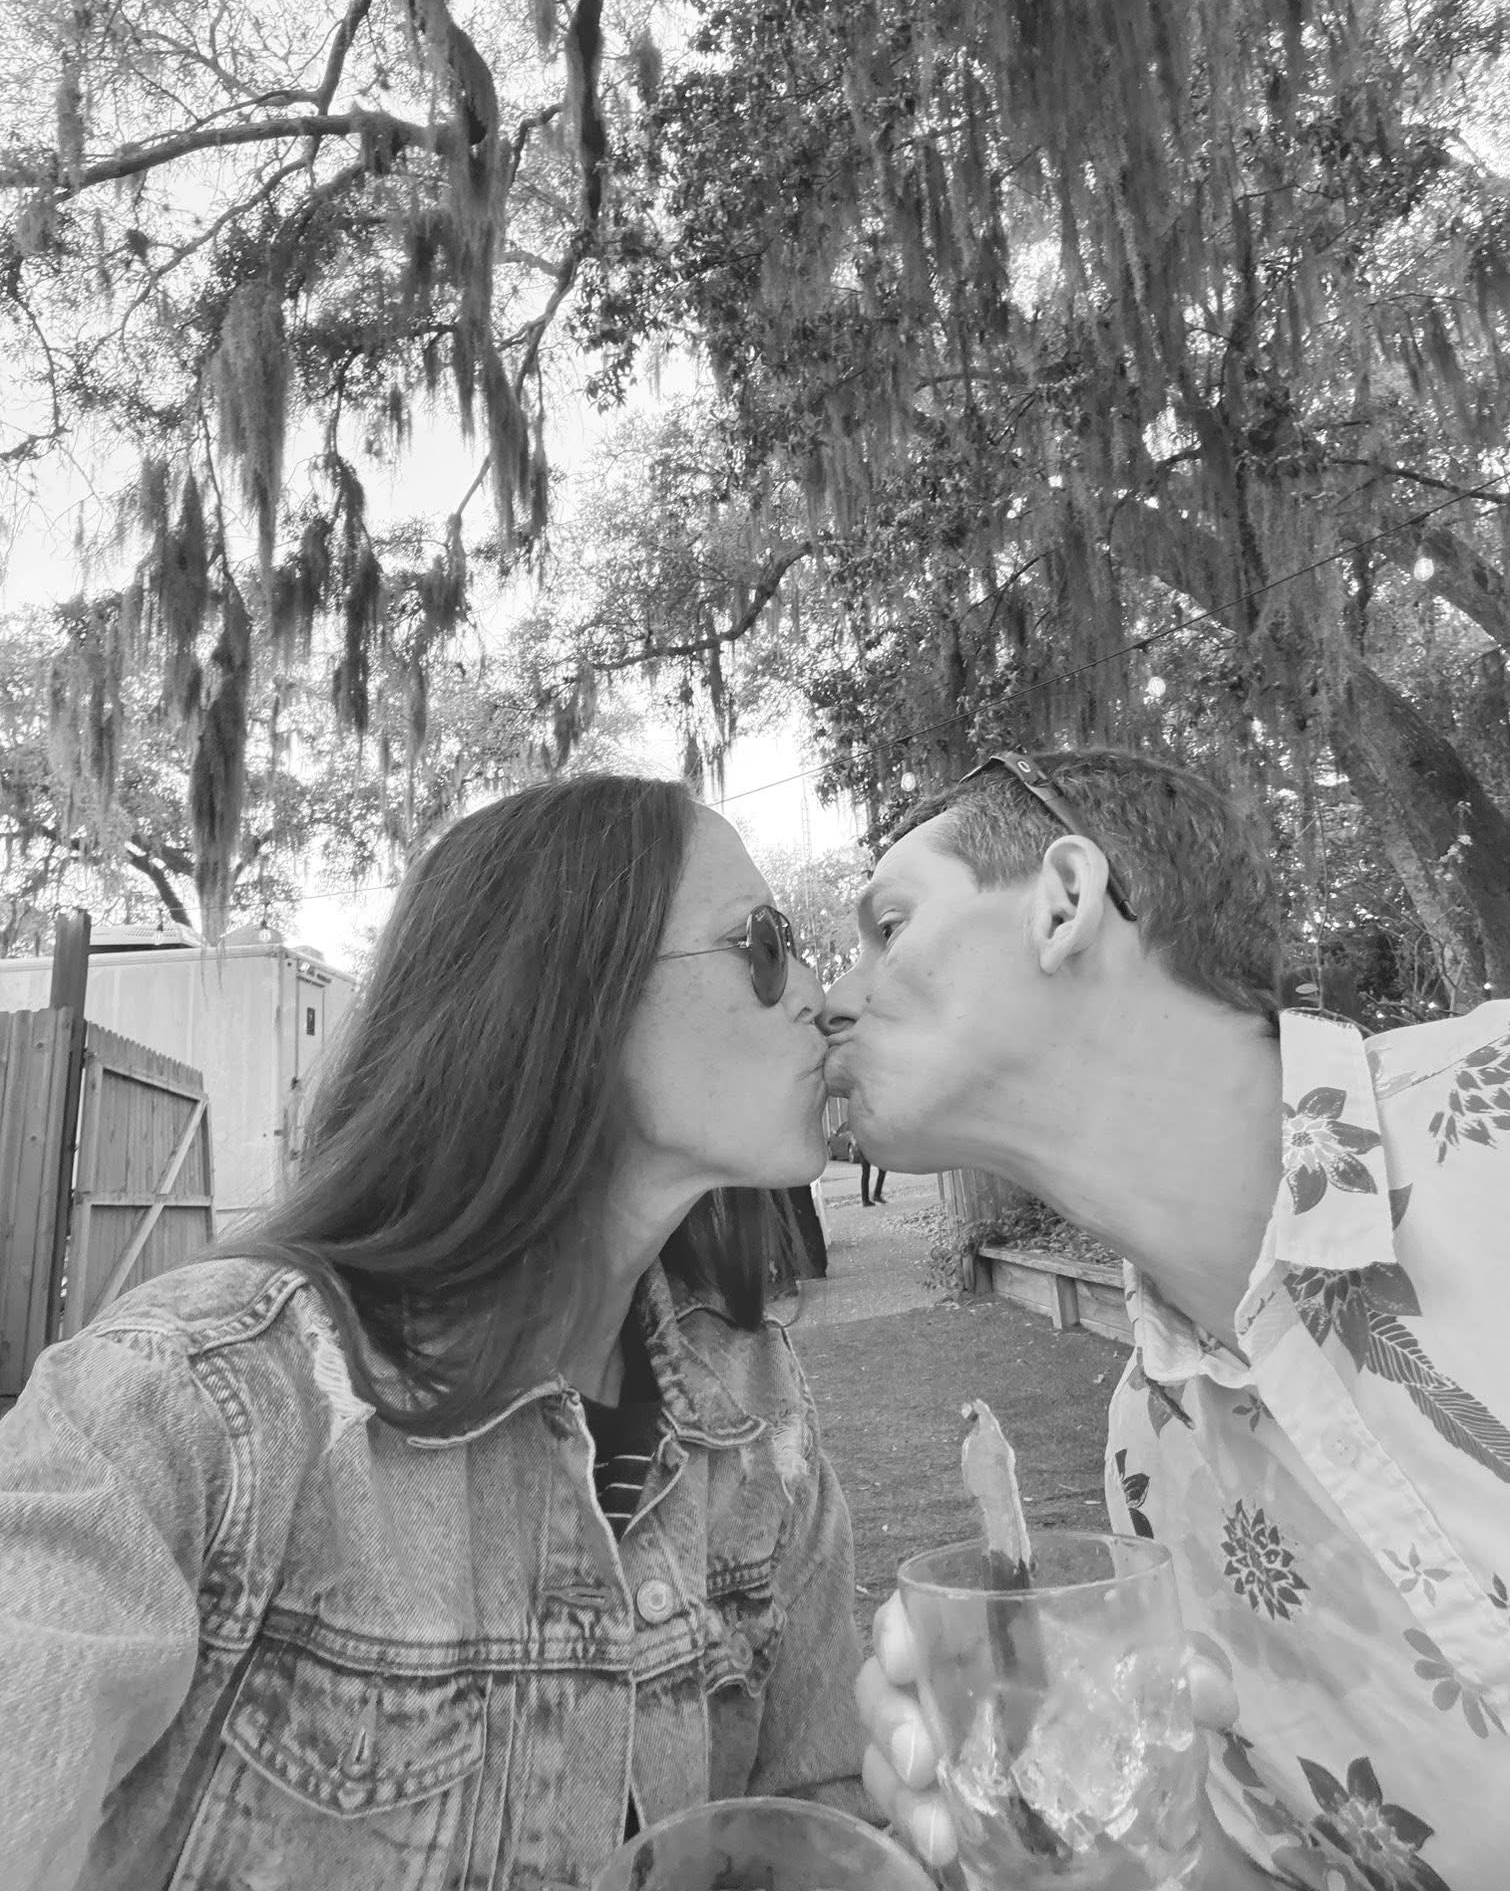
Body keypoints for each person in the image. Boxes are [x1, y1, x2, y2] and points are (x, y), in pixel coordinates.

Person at [0, 776, 866, 1891]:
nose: (824, 998)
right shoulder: (195, 1402)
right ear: (572, 995)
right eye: (767, 944)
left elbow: (823, 1816)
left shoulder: (756, 1410)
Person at [826, 748, 1510, 1891]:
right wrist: (1110, 1843)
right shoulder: (1150, 1462)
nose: (832, 997)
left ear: (1065, 898)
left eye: (889, 927)